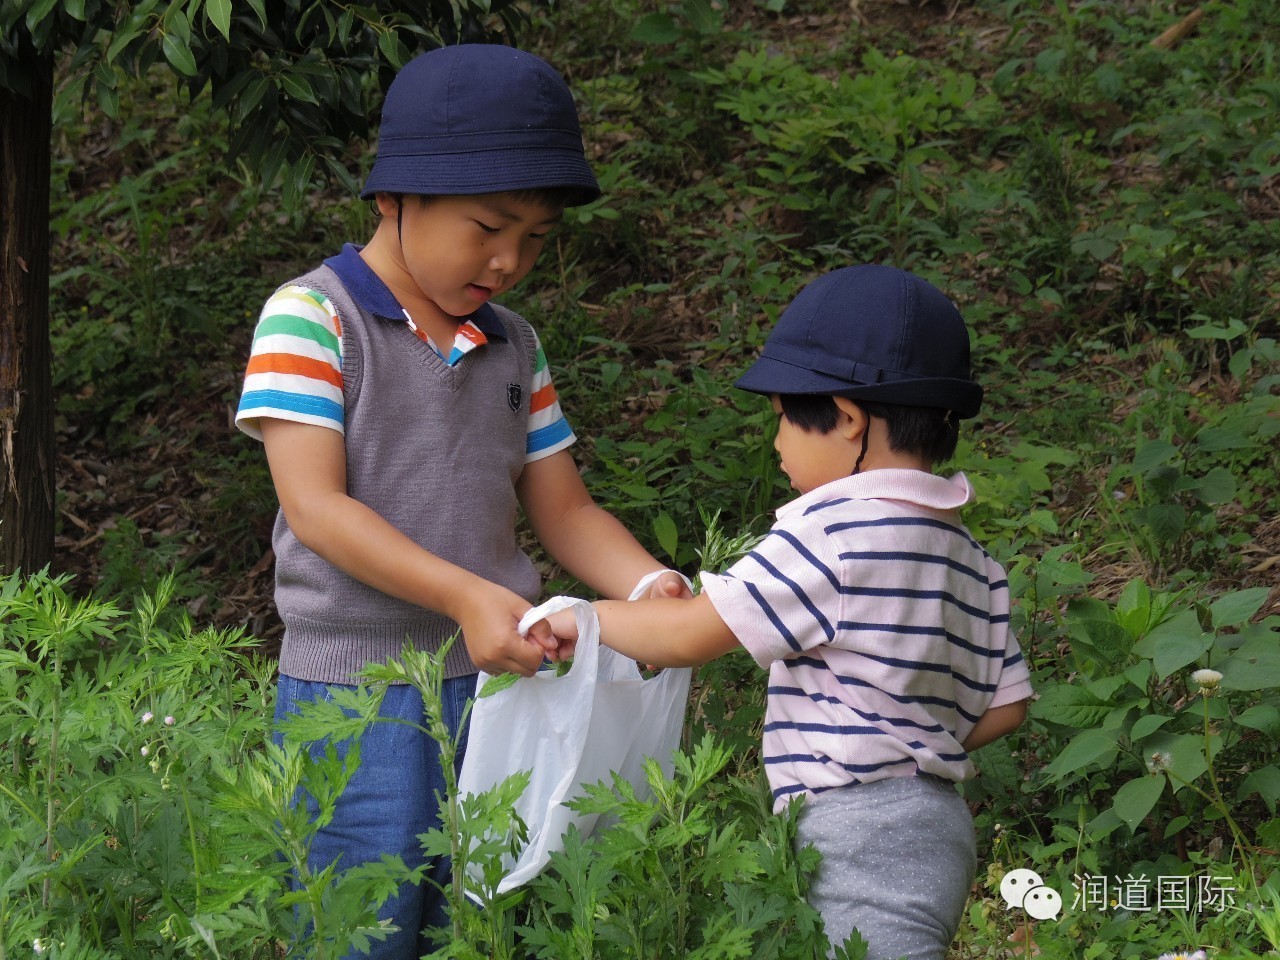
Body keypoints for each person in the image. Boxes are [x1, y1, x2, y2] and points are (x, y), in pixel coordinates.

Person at [235, 44, 688, 959]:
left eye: (537, 238)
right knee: (358, 930)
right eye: (488, 227)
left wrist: (648, 585)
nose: (510, 259)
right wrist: (465, 595)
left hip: (501, 692)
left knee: (482, 925)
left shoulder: (514, 345)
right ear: (393, 198)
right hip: (354, 699)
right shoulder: (312, 319)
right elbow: (318, 508)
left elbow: (565, 511)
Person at [535, 264, 1034, 960]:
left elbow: (689, 634)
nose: (776, 443)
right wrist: (915, 742)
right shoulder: (973, 556)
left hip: (852, 826)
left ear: (848, 419)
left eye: (781, 419)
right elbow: (1008, 708)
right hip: (941, 827)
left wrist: (584, 618)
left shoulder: (831, 535)